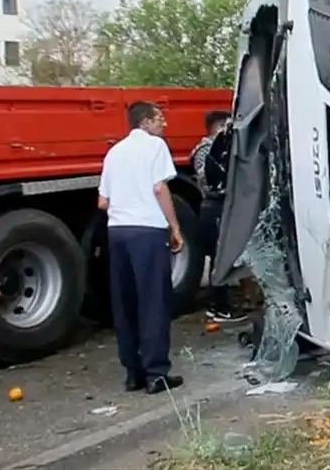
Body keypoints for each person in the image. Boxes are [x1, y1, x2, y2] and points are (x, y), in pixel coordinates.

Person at [98, 101, 184, 394]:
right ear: (144, 122)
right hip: (147, 230)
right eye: (159, 119)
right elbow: (159, 188)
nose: (164, 125)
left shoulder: (114, 153)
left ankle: (132, 373)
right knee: (153, 301)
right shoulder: (154, 146)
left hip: (118, 232)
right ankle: (156, 373)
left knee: (126, 303)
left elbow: (103, 201)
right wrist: (174, 226)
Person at [190, 110, 246, 322]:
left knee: (224, 256)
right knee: (218, 257)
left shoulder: (220, 148)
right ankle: (218, 305)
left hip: (221, 207)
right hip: (213, 207)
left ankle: (223, 301)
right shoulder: (206, 149)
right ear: (220, 127)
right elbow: (207, 177)